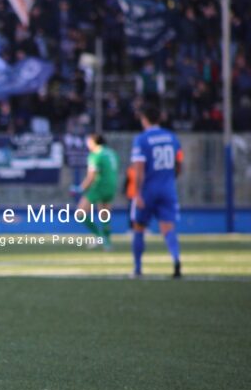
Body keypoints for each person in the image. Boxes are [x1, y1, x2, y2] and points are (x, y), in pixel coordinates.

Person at [130, 105, 183, 278]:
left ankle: (137, 268)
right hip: (168, 188)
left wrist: (137, 193)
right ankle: (175, 258)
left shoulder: (142, 139)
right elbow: (179, 163)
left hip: (148, 190)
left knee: (139, 227)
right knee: (167, 227)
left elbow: (139, 169)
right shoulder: (172, 137)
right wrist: (170, 179)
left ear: (144, 119)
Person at [76, 133, 119, 249]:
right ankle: (107, 243)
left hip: (99, 186)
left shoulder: (95, 155)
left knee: (80, 213)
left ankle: (99, 236)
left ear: (94, 142)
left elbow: (91, 177)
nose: (88, 144)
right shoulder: (111, 153)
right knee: (104, 215)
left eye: (89, 142)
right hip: (111, 186)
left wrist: (81, 188)